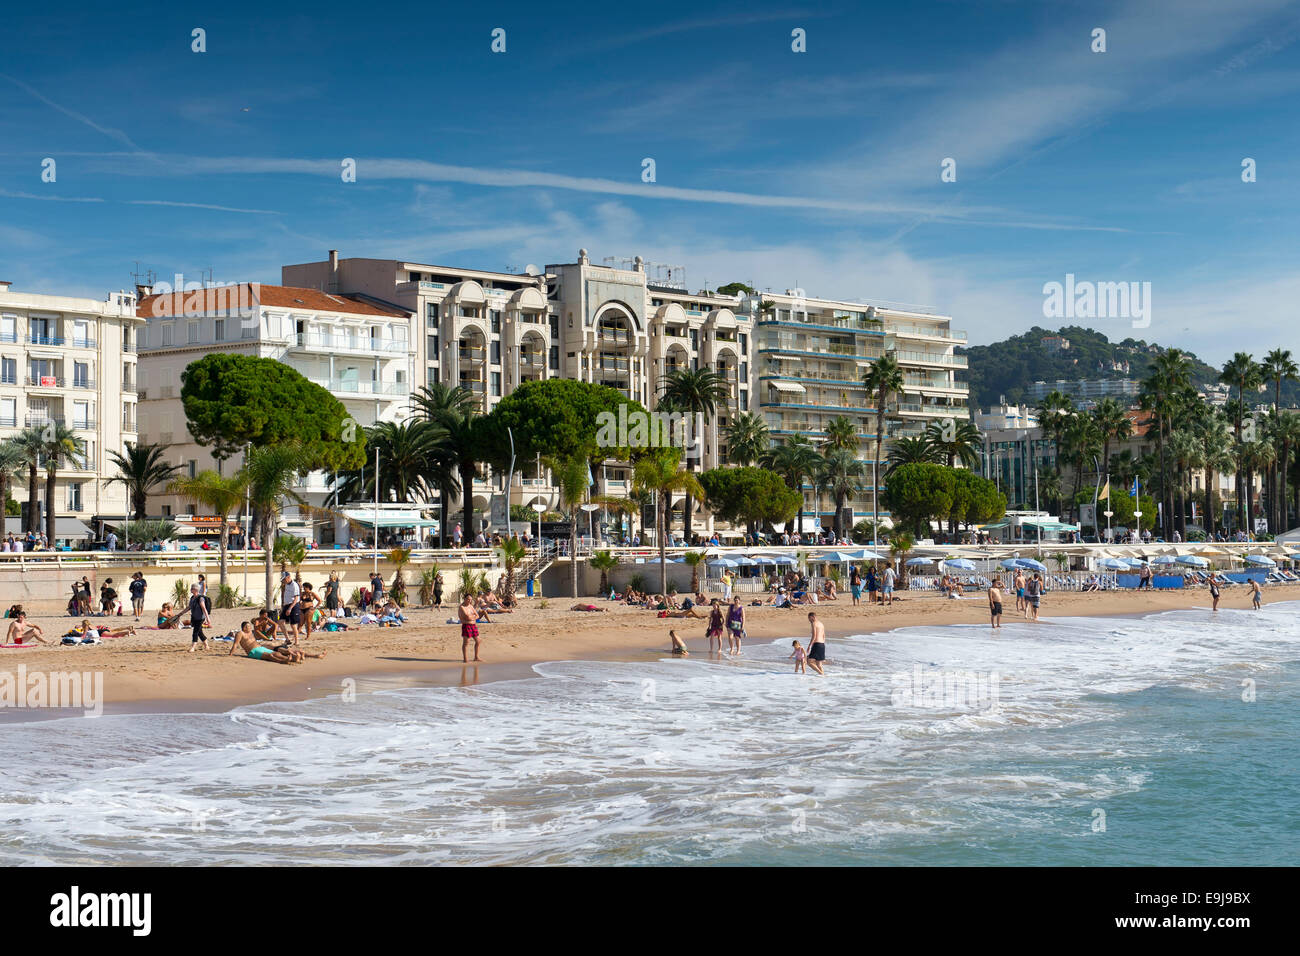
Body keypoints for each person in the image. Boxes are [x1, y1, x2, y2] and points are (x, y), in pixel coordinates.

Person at [187, 584, 212, 652]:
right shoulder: (192, 598)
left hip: (200, 618)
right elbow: (189, 607)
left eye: (192, 588)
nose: (190, 589)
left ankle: (193, 647)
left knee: (195, 632)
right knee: (199, 632)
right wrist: (180, 614)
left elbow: (204, 609)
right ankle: (206, 645)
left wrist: (208, 618)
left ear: (195, 590)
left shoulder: (200, 598)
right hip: (194, 618)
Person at [459, 592, 483, 661]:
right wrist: (472, 616)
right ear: (464, 599)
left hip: (473, 625)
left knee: (478, 641)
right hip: (466, 626)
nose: (469, 601)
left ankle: (476, 657)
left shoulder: (470, 606)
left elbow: (477, 616)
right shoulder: (462, 607)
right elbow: (467, 617)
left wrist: (472, 617)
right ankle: (465, 659)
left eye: (470, 600)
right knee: (466, 643)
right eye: (468, 599)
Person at [279, 570, 301, 644]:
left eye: (284, 579)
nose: (284, 581)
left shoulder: (294, 585)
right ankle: (287, 639)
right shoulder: (286, 584)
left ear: (288, 577)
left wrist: (290, 608)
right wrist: (284, 607)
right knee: (281, 622)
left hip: (294, 605)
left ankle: (296, 641)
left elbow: (296, 598)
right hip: (286, 605)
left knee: (293, 624)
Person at [805, 612, 826, 676]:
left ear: (812, 617)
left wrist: (809, 645)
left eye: (809, 619)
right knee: (819, 664)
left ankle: (821, 673)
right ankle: (823, 677)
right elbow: (824, 636)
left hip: (817, 644)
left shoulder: (814, 623)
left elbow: (814, 636)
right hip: (822, 645)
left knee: (808, 662)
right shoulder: (821, 624)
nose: (809, 621)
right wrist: (822, 644)